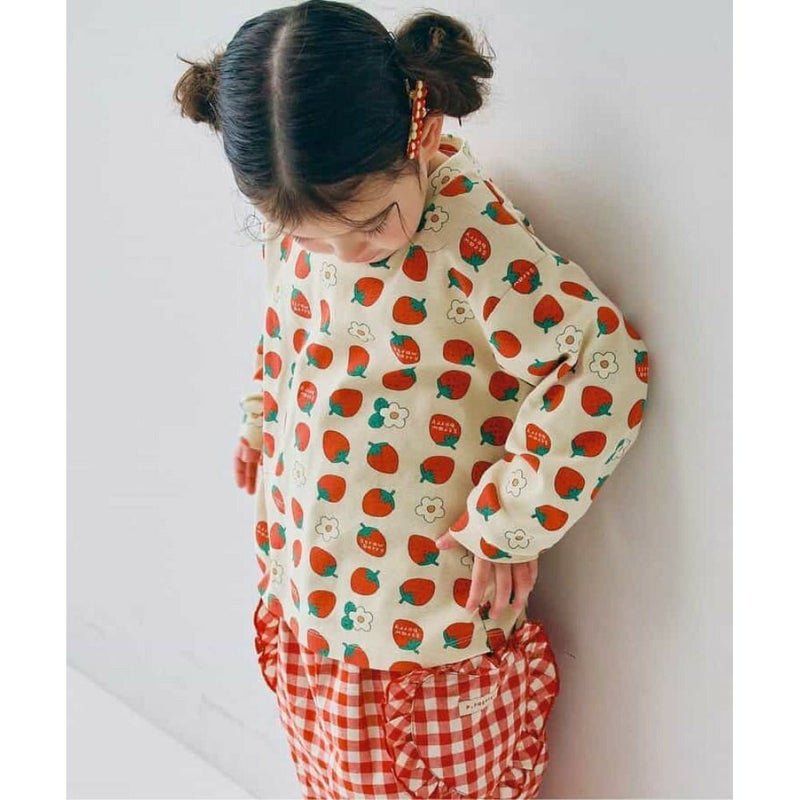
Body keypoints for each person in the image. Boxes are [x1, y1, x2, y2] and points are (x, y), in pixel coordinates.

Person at [173, 2, 649, 797]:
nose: (343, 254)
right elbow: (290, 329)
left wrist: (512, 518)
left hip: (419, 616)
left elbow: (602, 365)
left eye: (369, 226)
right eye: (308, 237)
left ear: (420, 136)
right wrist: (262, 416)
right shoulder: (309, 219)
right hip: (311, 591)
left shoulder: (470, 240)